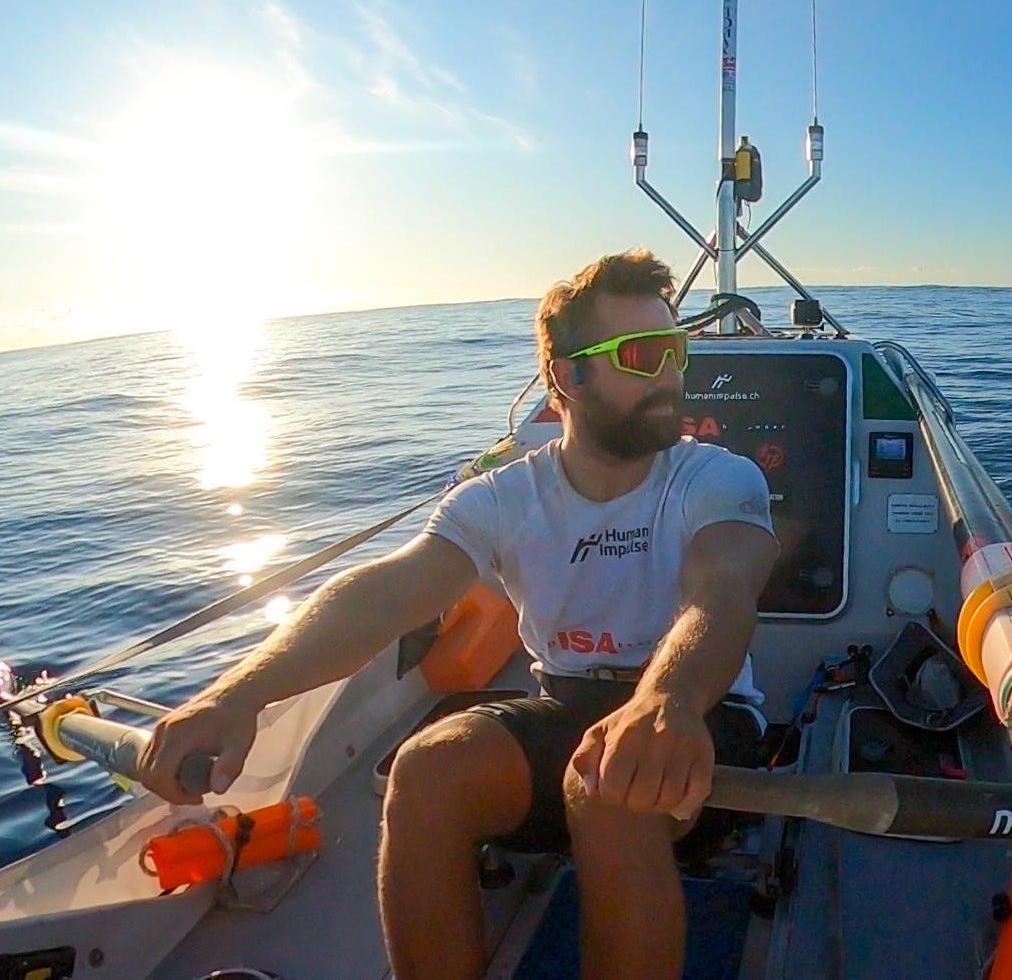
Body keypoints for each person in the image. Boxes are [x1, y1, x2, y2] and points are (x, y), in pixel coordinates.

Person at [141, 248, 778, 980]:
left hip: (704, 713)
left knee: (609, 787)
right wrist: (237, 693)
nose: (669, 373)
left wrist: (668, 699)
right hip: (568, 708)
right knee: (427, 768)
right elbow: (389, 590)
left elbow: (722, 590)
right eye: (642, 354)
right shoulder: (501, 497)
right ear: (566, 377)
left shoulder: (716, 475)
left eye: (676, 349)